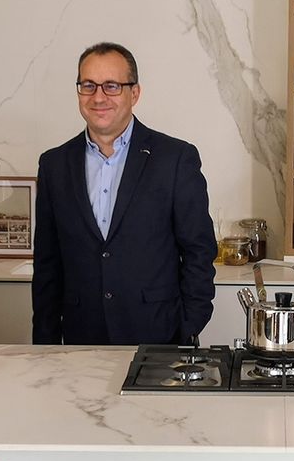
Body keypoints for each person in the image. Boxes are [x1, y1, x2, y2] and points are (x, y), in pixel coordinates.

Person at [31, 42, 216, 345]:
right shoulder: (54, 165)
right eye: (88, 85)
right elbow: (47, 264)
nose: (99, 97)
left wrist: (188, 326)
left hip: (158, 337)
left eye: (112, 86)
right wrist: (45, 343)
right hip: (80, 340)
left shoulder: (175, 158)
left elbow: (199, 250)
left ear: (135, 93)